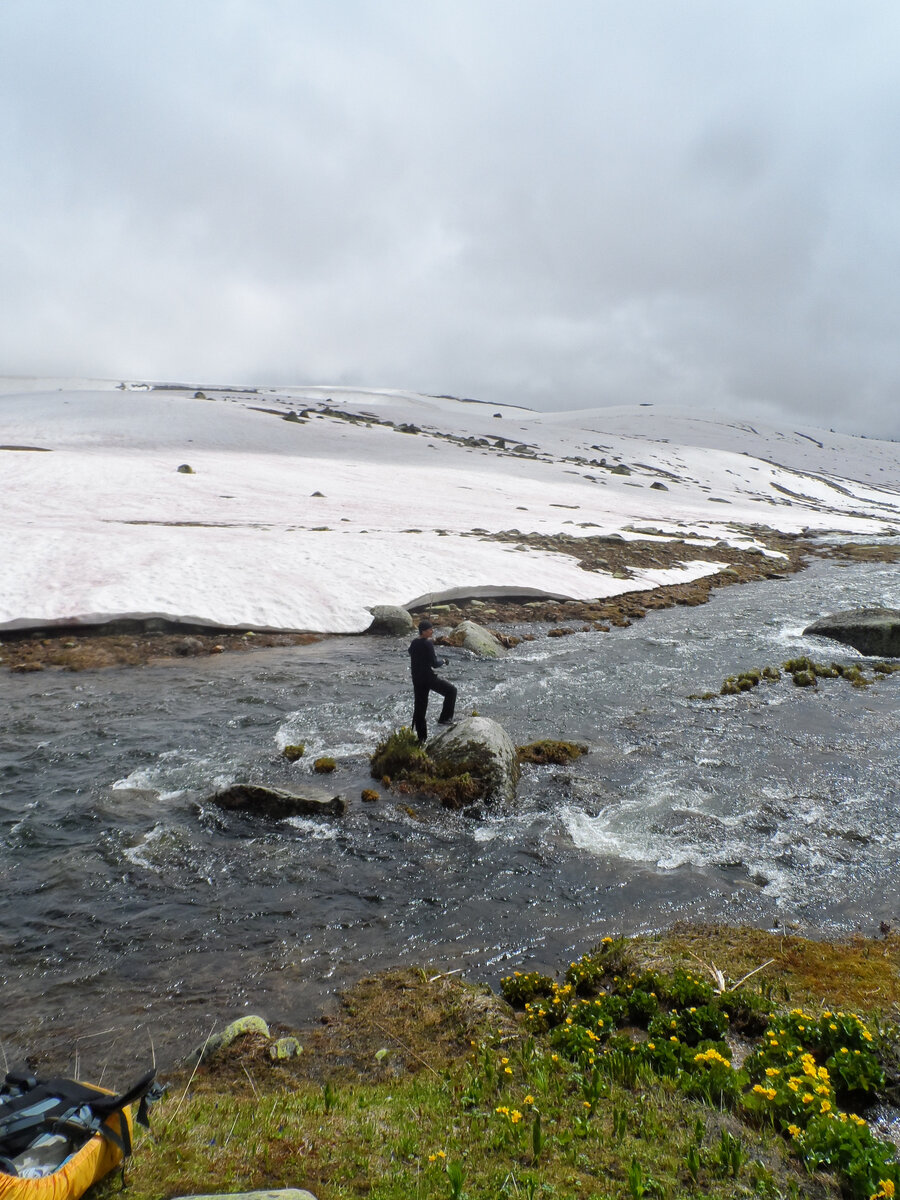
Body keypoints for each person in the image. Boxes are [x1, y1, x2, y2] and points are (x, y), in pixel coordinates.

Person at [408, 619, 457, 742]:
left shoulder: (414, 642)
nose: (432, 631)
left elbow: (411, 652)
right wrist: (444, 661)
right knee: (451, 691)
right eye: (430, 629)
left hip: (417, 680)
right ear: (423, 631)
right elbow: (435, 664)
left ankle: (421, 739)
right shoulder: (427, 644)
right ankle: (445, 719)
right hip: (428, 678)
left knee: (420, 709)